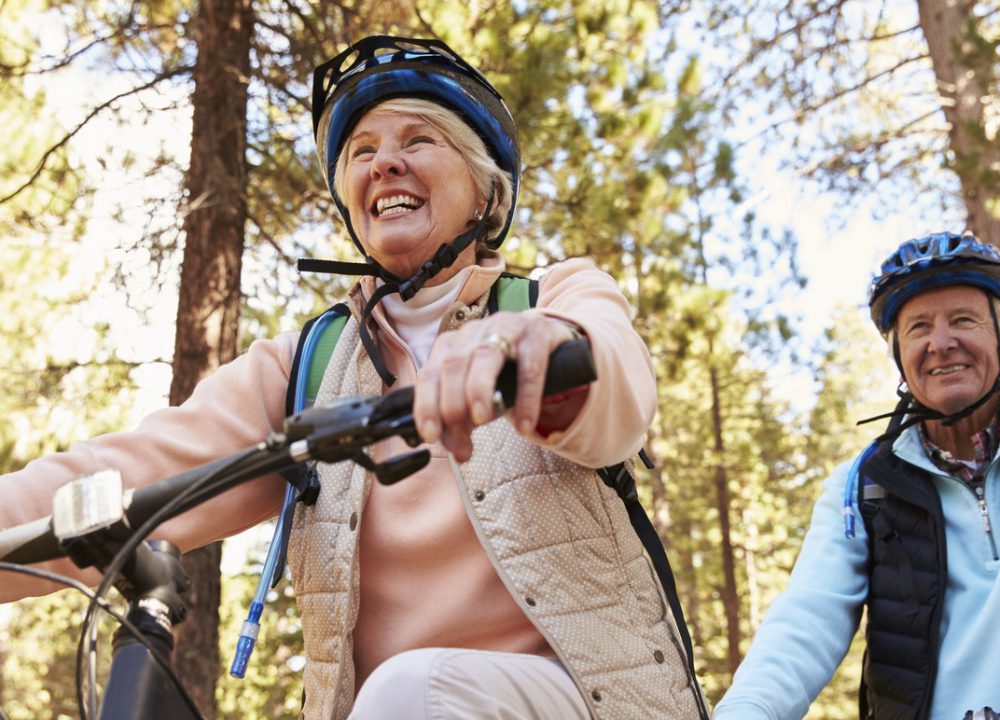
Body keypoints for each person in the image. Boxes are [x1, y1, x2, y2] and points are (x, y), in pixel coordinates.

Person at [0, 35, 707, 719]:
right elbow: (122, 471)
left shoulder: (553, 296)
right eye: (362, 153)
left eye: (418, 142)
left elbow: (617, 385)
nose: (384, 164)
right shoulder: (307, 368)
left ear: (487, 195)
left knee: (416, 690)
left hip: (584, 702)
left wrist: (532, 346)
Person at [713, 231, 1000, 720]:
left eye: (963, 320)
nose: (941, 343)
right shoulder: (864, 487)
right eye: (919, 328)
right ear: (898, 356)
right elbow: (808, 617)